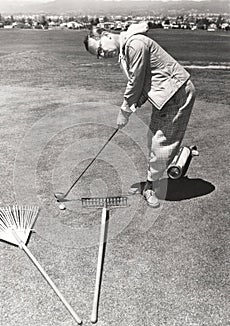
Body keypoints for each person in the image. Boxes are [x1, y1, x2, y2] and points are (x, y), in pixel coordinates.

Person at [83, 22, 196, 208]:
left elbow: (135, 82)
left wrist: (124, 111)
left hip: (177, 95)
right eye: (99, 55)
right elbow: (144, 84)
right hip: (165, 96)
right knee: (152, 139)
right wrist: (134, 106)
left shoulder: (135, 44)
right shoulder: (127, 50)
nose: (103, 55)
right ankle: (178, 158)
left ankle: (151, 186)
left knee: (160, 144)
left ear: (106, 34)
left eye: (101, 49)